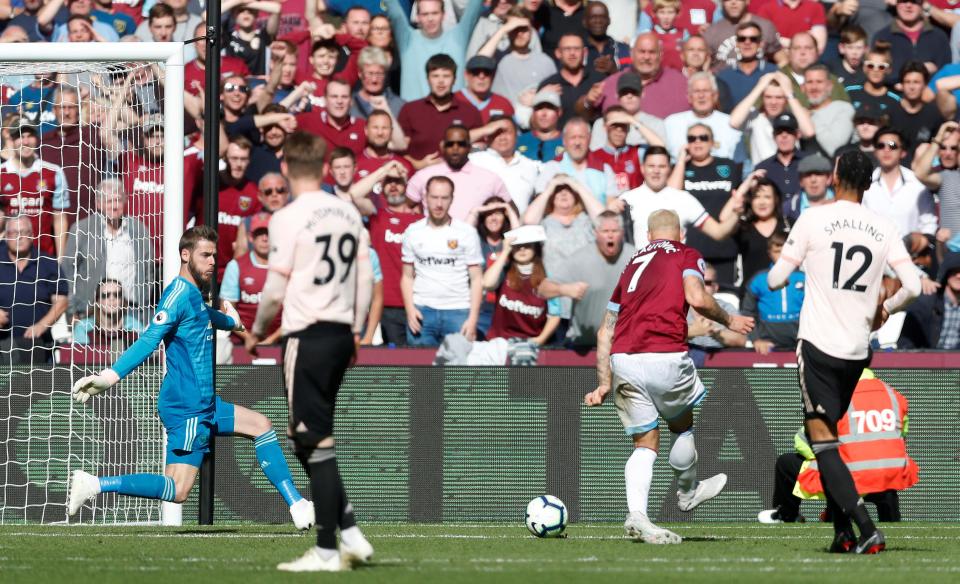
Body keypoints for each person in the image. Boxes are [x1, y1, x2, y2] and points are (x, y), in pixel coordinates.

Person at [68, 226, 316, 535]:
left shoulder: (194, 295)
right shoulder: (176, 296)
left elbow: (205, 317)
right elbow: (149, 340)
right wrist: (109, 376)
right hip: (187, 407)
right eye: (205, 255)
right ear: (185, 255)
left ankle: (297, 503)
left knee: (261, 426)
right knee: (178, 489)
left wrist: (232, 322)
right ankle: (94, 484)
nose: (213, 261)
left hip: (205, 404)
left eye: (214, 255)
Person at [766, 150, 922, 554]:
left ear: (835, 176)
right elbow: (915, 286)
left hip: (818, 344)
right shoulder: (882, 225)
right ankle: (841, 533)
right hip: (857, 351)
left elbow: (776, 278)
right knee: (832, 436)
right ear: (869, 182)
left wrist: (802, 266)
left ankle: (866, 527)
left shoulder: (814, 217)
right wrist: (886, 308)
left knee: (823, 443)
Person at [244, 132, 375, 571]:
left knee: (311, 436)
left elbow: (274, 289)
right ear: (322, 167)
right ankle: (351, 531)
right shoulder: (347, 211)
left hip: (305, 334)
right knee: (308, 436)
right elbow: (364, 278)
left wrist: (257, 331)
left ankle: (326, 550)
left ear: (285, 167)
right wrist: (356, 330)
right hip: (340, 333)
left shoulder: (287, 217)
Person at [584, 209, 754, 544]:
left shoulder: (631, 265)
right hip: (665, 355)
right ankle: (688, 492)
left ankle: (637, 514)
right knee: (681, 426)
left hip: (623, 359)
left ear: (649, 236)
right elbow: (696, 297)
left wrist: (604, 382)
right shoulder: (687, 254)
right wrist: (729, 320)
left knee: (645, 444)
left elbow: (605, 332)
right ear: (680, 234)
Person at [759, 370, 918, 524]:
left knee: (788, 463)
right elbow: (901, 436)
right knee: (868, 467)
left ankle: (787, 515)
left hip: (849, 478)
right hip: (888, 476)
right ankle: (892, 521)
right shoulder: (892, 394)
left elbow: (805, 441)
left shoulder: (834, 397)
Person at [402, 176, 484, 346]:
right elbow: (407, 277)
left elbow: (476, 279)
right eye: (434, 197)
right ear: (425, 198)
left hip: (458, 312)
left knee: (457, 371)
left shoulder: (466, 232)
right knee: (422, 372)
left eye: (444, 198)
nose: (439, 204)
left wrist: (473, 319)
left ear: (452, 199)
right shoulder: (413, 232)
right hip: (422, 312)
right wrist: (410, 310)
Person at [62, 178, 155, 320]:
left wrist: (144, 298)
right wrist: (71, 309)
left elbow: (149, 269)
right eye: (109, 201)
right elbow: (68, 272)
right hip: (91, 312)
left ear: (124, 201)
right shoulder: (81, 230)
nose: (114, 206)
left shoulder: (139, 229)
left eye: (118, 200)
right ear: (99, 204)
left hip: (133, 312)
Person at [617, 146, 742, 249]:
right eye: (651, 166)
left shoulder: (684, 199)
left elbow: (718, 233)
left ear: (670, 169)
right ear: (642, 168)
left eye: (662, 166)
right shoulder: (626, 199)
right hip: (639, 274)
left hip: (676, 275)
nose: (656, 171)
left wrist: (736, 213)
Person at [668, 123, 742, 289]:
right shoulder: (680, 169)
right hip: (690, 252)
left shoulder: (728, 166)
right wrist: (680, 161)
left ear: (712, 142)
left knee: (725, 301)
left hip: (724, 249)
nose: (697, 142)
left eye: (703, 137)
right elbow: (671, 196)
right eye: (692, 138)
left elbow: (736, 201)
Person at [405, 124, 512, 221]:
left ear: (469, 147)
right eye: (450, 144)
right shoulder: (423, 176)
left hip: (474, 241)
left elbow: (511, 211)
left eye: (461, 144)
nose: (455, 149)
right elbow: (403, 209)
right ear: (443, 147)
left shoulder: (490, 179)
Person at [0, 215, 68, 365]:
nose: (19, 237)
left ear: (32, 235)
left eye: (24, 233)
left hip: (38, 347)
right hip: (2, 347)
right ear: (5, 236)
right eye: (14, 233)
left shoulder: (48, 263)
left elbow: (62, 301)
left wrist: (42, 324)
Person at [384, 0, 484, 100]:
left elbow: (475, 6)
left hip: (453, 113)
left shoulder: (458, 37)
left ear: (443, 14)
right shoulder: (407, 40)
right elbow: (394, 12)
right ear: (417, 17)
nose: (430, 19)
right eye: (425, 14)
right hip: (414, 113)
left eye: (435, 13)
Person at [481, 225, 561, 345]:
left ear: (536, 248)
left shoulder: (547, 276)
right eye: (517, 246)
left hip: (530, 343)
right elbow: (487, 283)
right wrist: (505, 252)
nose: (522, 249)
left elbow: (555, 314)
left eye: (528, 245)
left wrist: (539, 341)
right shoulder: (504, 270)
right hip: (499, 342)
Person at [220, 213, 282, 347]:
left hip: (280, 340)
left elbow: (294, 311)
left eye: (268, 233)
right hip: (241, 340)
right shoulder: (235, 266)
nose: (265, 238)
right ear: (250, 237)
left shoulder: (285, 266)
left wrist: (272, 339)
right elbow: (227, 310)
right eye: (259, 234)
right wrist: (248, 337)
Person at [742, 232, 804, 354]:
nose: (782, 256)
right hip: (767, 345)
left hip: (801, 343)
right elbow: (747, 312)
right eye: (777, 251)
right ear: (769, 253)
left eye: (785, 251)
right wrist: (756, 340)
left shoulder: (805, 277)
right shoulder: (759, 279)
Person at [732, 173, 791, 288]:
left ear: (776, 199)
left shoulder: (789, 224)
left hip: (786, 292)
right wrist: (742, 190)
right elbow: (723, 219)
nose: (762, 202)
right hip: (751, 294)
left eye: (767, 197)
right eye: (756, 197)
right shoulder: (742, 227)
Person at [898, 253, 960, 349]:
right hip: (925, 360)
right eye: (955, 271)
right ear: (947, 274)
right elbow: (905, 343)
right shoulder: (925, 302)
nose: (959, 276)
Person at [71, 278, 146, 349]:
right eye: (105, 295)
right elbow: (82, 357)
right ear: (98, 301)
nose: (112, 298)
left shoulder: (135, 327)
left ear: (122, 300)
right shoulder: (83, 328)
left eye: (117, 295)